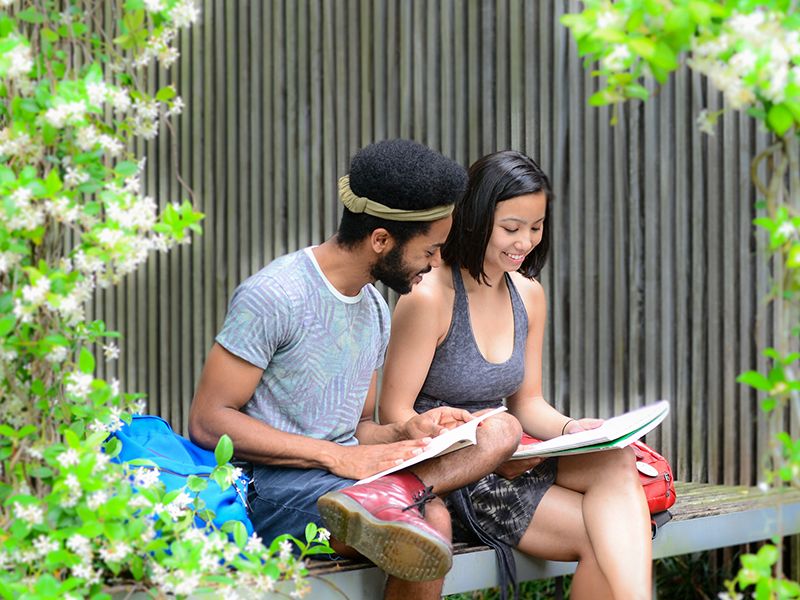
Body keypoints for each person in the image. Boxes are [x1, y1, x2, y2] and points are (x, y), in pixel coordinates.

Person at [188, 139, 521, 600]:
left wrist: (410, 430)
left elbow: (360, 429)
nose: (436, 263)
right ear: (381, 239)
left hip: (350, 478)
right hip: (269, 485)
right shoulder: (274, 295)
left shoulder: (374, 309)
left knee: (502, 428)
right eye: (430, 249)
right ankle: (388, 503)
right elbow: (208, 420)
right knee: (430, 520)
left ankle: (384, 502)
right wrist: (335, 457)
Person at [379, 150, 653, 600]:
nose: (524, 241)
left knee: (615, 460)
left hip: (515, 456)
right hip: (457, 471)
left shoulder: (529, 294)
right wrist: (479, 437)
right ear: (476, 218)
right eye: (510, 228)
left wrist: (572, 429)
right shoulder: (429, 296)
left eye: (536, 227)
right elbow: (395, 414)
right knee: (604, 540)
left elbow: (526, 403)